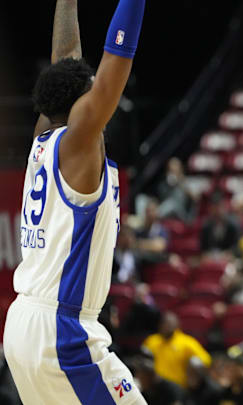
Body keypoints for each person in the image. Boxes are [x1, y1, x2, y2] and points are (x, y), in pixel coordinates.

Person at [2, 0, 147, 403]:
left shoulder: (44, 133)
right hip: (62, 331)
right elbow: (114, 64)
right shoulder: (80, 142)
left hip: (24, 324)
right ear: (82, 103)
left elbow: (64, 60)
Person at [142, 312, 212, 389]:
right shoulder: (151, 341)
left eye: (170, 324)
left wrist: (191, 365)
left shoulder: (186, 342)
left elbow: (206, 359)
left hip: (179, 386)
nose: (167, 326)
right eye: (164, 323)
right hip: (157, 386)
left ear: (177, 325)